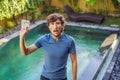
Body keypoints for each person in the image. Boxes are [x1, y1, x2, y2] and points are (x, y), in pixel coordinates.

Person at [19, 13, 77, 80]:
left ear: (62, 25)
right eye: (52, 24)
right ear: (49, 26)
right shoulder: (44, 39)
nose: (55, 26)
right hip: (45, 78)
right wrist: (21, 37)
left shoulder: (70, 41)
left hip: (61, 78)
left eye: (57, 23)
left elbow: (74, 61)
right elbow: (25, 52)